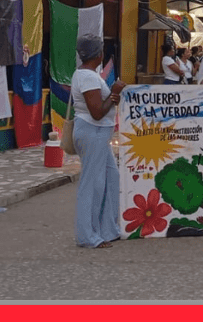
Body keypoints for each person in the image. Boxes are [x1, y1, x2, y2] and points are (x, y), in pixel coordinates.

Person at [70, 35, 125, 248]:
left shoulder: (88, 75)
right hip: (92, 131)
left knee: (112, 178)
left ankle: (108, 229)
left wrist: (112, 98)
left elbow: (103, 106)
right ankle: (88, 236)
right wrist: (114, 93)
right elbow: (97, 113)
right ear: (99, 54)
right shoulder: (88, 77)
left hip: (99, 134)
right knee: (92, 184)